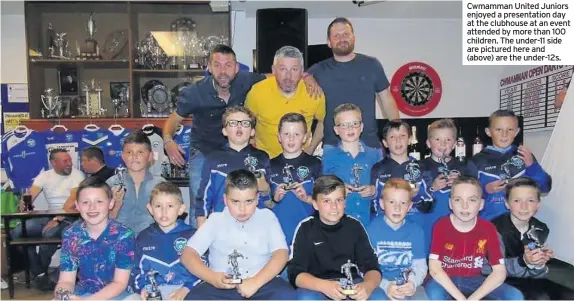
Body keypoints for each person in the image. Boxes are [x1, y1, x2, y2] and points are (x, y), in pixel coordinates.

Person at [162, 45, 321, 226]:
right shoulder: (194, 92)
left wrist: (307, 77)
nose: (223, 71)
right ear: (209, 67)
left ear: (237, 67)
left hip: (240, 150)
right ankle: (199, 248)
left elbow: (279, 74)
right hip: (205, 151)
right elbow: (173, 120)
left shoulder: (246, 80)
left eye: (228, 65)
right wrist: (168, 141)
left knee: (247, 199)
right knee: (201, 202)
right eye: (217, 65)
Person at [182, 169, 296, 300]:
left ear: (257, 198)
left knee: (287, 296)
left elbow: (281, 253)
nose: (242, 209)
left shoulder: (268, 218)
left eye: (249, 201)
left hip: (261, 282)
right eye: (235, 202)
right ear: (225, 199)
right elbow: (188, 255)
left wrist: (256, 282)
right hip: (221, 286)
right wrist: (212, 278)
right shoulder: (215, 220)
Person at [307, 17, 399, 154]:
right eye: (336, 35)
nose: (342, 38)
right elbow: (291, 77)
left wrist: (398, 131)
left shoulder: (372, 64)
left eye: (346, 34)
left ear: (353, 38)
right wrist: (307, 77)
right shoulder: (318, 70)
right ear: (329, 42)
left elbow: (386, 99)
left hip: (370, 146)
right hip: (333, 148)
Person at [288, 175, 387, 300]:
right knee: (306, 298)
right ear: (315, 204)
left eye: (339, 200)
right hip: (317, 286)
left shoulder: (354, 226)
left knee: (379, 297)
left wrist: (367, 286)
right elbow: (295, 274)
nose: (334, 206)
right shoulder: (305, 228)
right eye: (326, 201)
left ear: (345, 202)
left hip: (352, 284)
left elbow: (372, 267)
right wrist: (324, 286)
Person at [424, 176, 523, 300]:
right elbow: (435, 269)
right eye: (458, 200)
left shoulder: (488, 228)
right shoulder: (441, 226)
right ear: (450, 203)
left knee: (515, 296)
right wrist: (461, 299)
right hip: (445, 280)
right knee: (434, 294)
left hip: (475, 280)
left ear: (481, 204)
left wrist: (473, 299)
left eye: (472, 200)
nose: (464, 206)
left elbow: (499, 272)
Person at [484, 178, 574, 300]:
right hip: (499, 280)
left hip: (527, 277)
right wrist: (524, 261)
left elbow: (536, 273)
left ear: (538, 204)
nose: (524, 206)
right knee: (539, 297)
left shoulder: (540, 229)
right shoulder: (493, 230)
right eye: (517, 200)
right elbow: (489, 269)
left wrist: (538, 263)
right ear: (507, 203)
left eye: (530, 200)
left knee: (568, 293)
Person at [11, 149, 85, 283]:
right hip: (49, 215)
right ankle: (38, 271)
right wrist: (24, 204)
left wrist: (57, 219)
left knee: (48, 234)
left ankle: (39, 274)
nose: (69, 163)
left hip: (69, 216)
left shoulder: (78, 175)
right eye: (65, 161)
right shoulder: (45, 176)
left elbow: (72, 201)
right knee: (17, 233)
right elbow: (30, 194)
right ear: (53, 163)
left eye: (70, 160)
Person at [54, 177, 135, 300]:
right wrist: (64, 296)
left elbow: (120, 283)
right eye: (85, 202)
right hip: (83, 292)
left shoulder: (124, 235)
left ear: (111, 203)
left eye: (99, 202)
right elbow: (66, 281)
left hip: (118, 294)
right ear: (77, 206)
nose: (92, 207)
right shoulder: (71, 235)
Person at [466, 109, 552, 220]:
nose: (504, 134)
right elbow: (466, 195)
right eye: (498, 129)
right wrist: (485, 190)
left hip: (519, 225)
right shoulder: (476, 161)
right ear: (488, 132)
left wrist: (532, 166)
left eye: (510, 129)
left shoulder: (524, 156)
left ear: (516, 132)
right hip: (489, 225)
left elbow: (545, 187)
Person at [194, 106, 271, 228]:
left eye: (245, 123)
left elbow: (270, 200)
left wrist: (266, 189)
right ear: (224, 130)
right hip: (222, 226)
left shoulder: (262, 158)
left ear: (252, 131)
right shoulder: (213, 158)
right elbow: (203, 199)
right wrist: (201, 233)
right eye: (233, 123)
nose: (239, 127)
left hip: (255, 226)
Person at [246, 46, 326, 158]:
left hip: (300, 160)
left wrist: (310, 150)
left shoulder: (314, 92)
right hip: (265, 159)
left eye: (294, 69)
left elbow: (323, 122)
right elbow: (247, 121)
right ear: (273, 70)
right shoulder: (257, 92)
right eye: (283, 69)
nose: (288, 76)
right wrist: (251, 145)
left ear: (302, 71)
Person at [130, 182, 200, 300]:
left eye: (170, 206)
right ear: (150, 209)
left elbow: (203, 270)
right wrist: (143, 288)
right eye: (158, 206)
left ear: (181, 209)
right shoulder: (143, 238)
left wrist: (186, 289)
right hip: (154, 291)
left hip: (185, 290)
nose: (164, 212)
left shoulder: (193, 235)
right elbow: (135, 272)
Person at [367, 178, 428, 300]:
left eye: (403, 203)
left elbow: (420, 265)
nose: (397, 208)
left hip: (407, 283)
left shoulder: (416, 231)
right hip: (379, 285)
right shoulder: (370, 230)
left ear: (410, 206)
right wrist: (386, 285)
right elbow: (365, 268)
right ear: (382, 204)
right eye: (391, 202)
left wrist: (412, 283)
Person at [267, 113, 322, 246]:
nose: (291, 139)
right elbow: (263, 204)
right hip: (277, 234)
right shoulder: (269, 165)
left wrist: (307, 198)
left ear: (305, 138)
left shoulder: (315, 164)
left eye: (296, 134)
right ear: (279, 137)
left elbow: (324, 201)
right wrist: (274, 199)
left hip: (308, 233)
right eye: (286, 134)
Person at [322, 103, 382, 226]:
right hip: (340, 222)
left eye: (355, 124)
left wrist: (375, 190)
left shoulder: (375, 155)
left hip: (370, 222)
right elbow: (322, 188)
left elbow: (386, 185)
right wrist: (337, 188)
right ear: (336, 130)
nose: (350, 129)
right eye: (344, 125)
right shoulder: (328, 155)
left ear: (362, 127)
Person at [371, 120, 432, 231]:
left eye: (402, 136)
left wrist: (416, 197)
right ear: (385, 143)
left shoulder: (421, 168)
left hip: (415, 227)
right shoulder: (378, 169)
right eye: (392, 137)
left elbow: (429, 207)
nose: (398, 141)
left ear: (409, 140)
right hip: (386, 227)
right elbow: (373, 205)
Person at [106, 130, 166, 235]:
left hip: (152, 242)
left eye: (140, 152)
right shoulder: (111, 184)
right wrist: (115, 206)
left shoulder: (161, 185)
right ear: (123, 156)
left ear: (150, 156)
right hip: (118, 241)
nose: (135, 156)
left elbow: (169, 220)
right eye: (129, 152)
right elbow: (101, 223)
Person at [419, 119, 466, 248]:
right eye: (437, 140)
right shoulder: (419, 167)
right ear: (428, 143)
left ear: (455, 143)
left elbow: (477, 196)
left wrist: (462, 183)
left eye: (448, 140)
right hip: (429, 225)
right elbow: (413, 198)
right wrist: (432, 187)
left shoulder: (464, 167)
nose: (443, 144)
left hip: (458, 225)